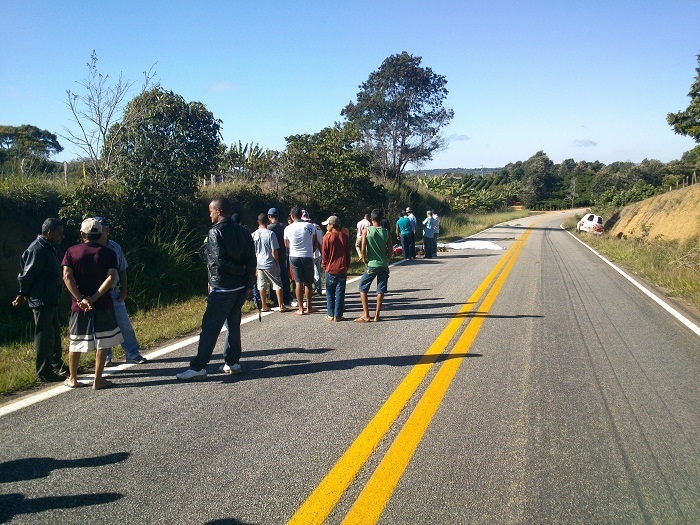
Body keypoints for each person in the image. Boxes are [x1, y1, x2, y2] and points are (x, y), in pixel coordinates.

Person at [176, 198, 256, 380]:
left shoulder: (215, 232)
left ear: (219, 211)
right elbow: (252, 259)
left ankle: (199, 367)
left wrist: (237, 271)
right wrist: (248, 282)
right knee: (233, 325)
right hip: (240, 287)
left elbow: (218, 261)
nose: (209, 214)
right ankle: (233, 362)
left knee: (210, 328)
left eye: (211, 211)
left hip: (223, 286)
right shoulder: (244, 232)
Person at [62, 218, 124, 390]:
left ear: (82, 234)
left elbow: (67, 276)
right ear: (100, 233)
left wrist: (80, 298)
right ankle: (98, 379)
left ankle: (73, 378)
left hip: (78, 306)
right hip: (103, 303)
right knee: (103, 341)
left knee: (75, 341)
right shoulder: (109, 253)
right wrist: (94, 298)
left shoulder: (71, 251)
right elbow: (111, 278)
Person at [12, 218, 67, 382]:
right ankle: (44, 371)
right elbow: (27, 275)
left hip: (50, 298)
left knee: (55, 333)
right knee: (44, 335)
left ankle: (57, 364)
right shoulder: (37, 249)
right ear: (49, 233)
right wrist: (22, 293)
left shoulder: (47, 247)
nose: (62, 236)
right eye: (59, 233)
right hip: (41, 300)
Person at [94, 217, 148, 366]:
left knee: (125, 325)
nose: (100, 232)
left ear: (106, 230)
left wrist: (124, 290)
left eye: (102, 228)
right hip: (97, 294)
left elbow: (122, 269)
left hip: (113, 292)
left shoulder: (114, 247)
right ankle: (106, 357)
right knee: (103, 327)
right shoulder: (90, 248)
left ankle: (133, 353)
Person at [355, 209, 392, 323]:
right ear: (382, 219)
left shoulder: (367, 231)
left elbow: (363, 249)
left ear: (371, 219)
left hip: (372, 264)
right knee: (380, 290)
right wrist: (387, 260)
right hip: (383, 264)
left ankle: (366, 314)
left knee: (363, 287)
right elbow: (390, 251)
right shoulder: (386, 232)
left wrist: (365, 261)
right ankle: (377, 315)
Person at [284, 206, 319, 316]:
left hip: (294, 256)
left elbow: (286, 244)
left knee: (298, 282)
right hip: (307, 255)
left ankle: (300, 308)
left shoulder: (288, 228)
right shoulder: (310, 226)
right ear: (302, 215)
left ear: (292, 216)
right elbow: (314, 241)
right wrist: (310, 250)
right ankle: (309, 307)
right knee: (308, 282)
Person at [252, 213, 288, 313]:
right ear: (268, 221)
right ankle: (281, 305)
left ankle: (264, 306)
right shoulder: (270, 234)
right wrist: (276, 262)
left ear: (258, 222)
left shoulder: (254, 234)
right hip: (270, 262)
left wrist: (254, 265)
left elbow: (252, 252)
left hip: (259, 263)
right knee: (277, 284)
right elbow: (274, 250)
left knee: (261, 285)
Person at [321, 215, 351, 321]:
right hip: (342, 268)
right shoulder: (345, 237)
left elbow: (325, 254)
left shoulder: (327, 237)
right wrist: (347, 265)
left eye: (328, 224)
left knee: (330, 292)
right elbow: (348, 253)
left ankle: (330, 313)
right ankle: (338, 315)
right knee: (340, 292)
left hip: (330, 268)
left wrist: (324, 265)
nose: (326, 227)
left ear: (332, 225)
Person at [267, 207, 292, 307]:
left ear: (269, 216)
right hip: (283, 254)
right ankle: (286, 297)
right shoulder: (284, 226)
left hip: (272, 256)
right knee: (284, 277)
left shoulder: (269, 228)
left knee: (274, 278)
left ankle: (273, 298)